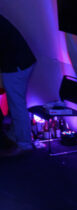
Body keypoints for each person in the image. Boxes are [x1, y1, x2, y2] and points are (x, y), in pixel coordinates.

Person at [0, 15, 36, 155]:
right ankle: (16, 135)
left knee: (17, 106)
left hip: (16, 66)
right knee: (15, 103)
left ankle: (24, 143)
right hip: (20, 63)